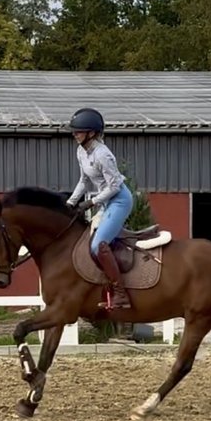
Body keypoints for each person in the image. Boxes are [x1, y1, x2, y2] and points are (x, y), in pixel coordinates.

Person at [65, 107, 134, 309]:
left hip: (119, 201)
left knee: (98, 246)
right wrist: (71, 202)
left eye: (78, 131)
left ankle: (121, 294)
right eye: (74, 131)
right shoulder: (81, 151)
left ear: (92, 133)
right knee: (85, 241)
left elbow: (114, 187)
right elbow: (84, 180)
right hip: (105, 201)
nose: (74, 134)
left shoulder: (103, 154)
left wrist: (91, 202)